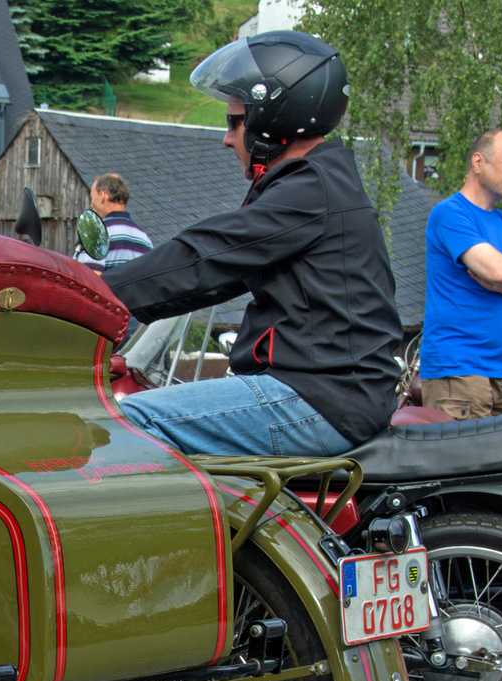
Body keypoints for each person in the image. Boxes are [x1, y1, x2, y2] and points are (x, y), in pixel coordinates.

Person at [102, 31, 402, 458]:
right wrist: (109, 300)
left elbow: (204, 255)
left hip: (320, 399)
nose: (226, 138)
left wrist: (84, 294)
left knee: (131, 419)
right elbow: (211, 279)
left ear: (273, 118)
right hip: (330, 394)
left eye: (234, 121)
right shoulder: (317, 184)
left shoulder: (311, 189)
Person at [418, 130, 502, 419]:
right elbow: (499, 270)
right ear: (479, 163)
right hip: (459, 372)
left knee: (498, 465)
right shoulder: (451, 213)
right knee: (463, 463)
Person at [76, 173, 152, 271]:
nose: (91, 204)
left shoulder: (96, 232)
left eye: (92, 198)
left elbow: (90, 278)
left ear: (102, 196)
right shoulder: (144, 238)